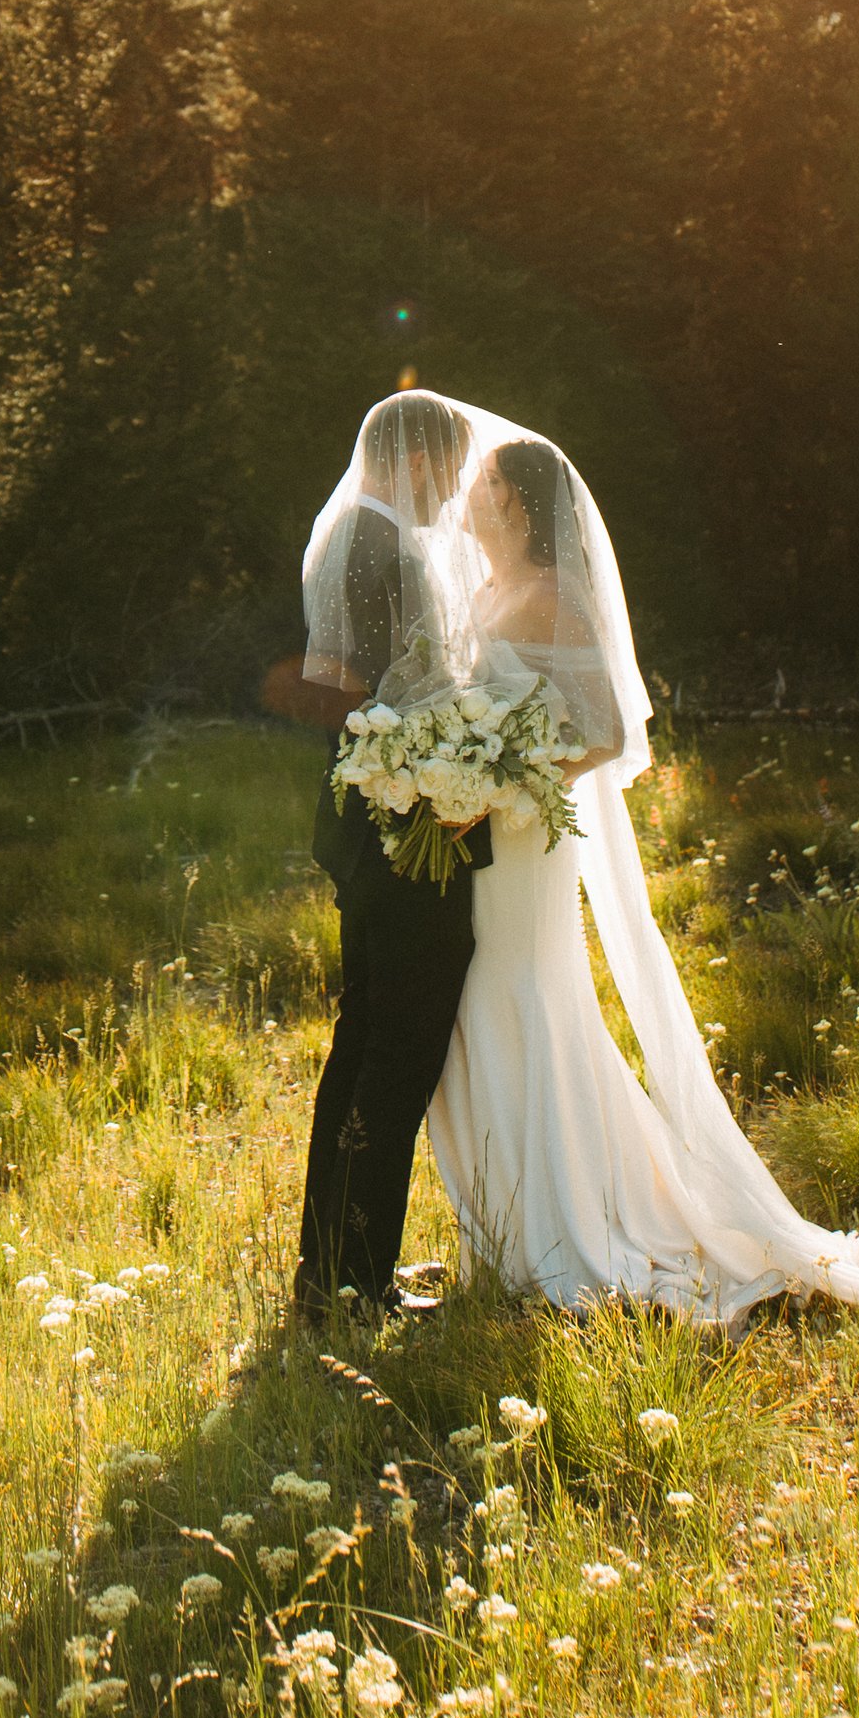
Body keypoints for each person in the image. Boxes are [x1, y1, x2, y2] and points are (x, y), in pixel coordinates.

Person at [306, 387, 859, 1362]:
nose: (467, 494)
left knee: (527, 1013)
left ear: (517, 507)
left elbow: (602, 730)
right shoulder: (471, 592)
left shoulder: (554, 598)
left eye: (482, 484)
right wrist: (463, 777)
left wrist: (504, 785)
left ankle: (566, 1232)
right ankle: (500, 1240)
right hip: (470, 848)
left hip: (517, 840)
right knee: (477, 1031)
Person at [269, 391, 492, 1320]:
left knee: (364, 1043)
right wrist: (450, 762)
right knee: (395, 1051)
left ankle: (333, 1272)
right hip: (400, 827)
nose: (456, 496)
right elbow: (373, 689)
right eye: (451, 472)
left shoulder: (356, 533)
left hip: (369, 820)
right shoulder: (380, 542)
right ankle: (357, 1283)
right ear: (418, 461)